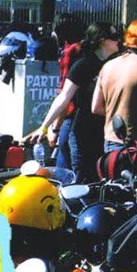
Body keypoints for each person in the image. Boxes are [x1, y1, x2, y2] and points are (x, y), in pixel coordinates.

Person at [26, 22, 122, 182]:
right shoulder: (83, 65)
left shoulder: (113, 65)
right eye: (114, 36)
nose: (119, 40)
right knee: (83, 178)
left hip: (105, 132)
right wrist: (45, 127)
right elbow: (64, 97)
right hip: (84, 131)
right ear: (102, 40)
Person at [92, 19, 137, 152]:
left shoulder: (107, 66)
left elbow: (96, 107)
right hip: (132, 144)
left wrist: (117, 113)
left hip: (109, 140)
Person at [50, 14, 86, 171]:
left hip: (72, 114)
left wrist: (54, 127)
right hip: (87, 113)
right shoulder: (86, 50)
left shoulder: (70, 53)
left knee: (64, 166)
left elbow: (66, 93)